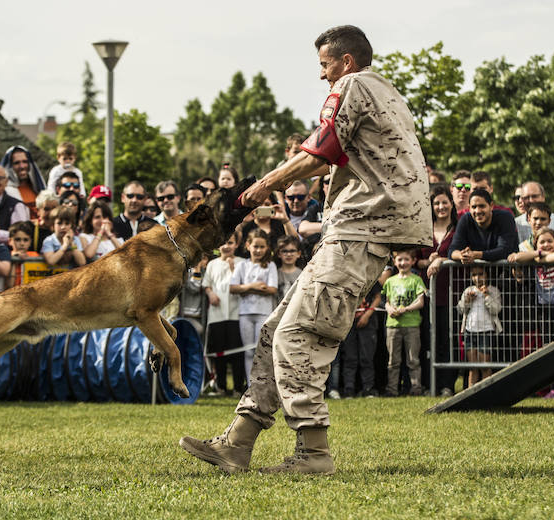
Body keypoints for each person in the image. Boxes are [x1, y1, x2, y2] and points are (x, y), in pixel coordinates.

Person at [180, 25, 431, 475]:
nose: (322, 75)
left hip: (360, 230)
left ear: (346, 62)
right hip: (360, 229)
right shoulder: (387, 93)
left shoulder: (351, 85)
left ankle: (313, 454)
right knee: (274, 329)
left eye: (324, 64)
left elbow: (321, 150)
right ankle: (237, 443)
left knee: (299, 335)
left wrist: (259, 187)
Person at [511, 227, 554, 397]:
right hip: (543, 308)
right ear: (535, 243)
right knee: (548, 349)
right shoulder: (535, 255)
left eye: (550, 241)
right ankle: (551, 388)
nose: (547, 244)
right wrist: (537, 253)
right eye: (542, 241)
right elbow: (518, 257)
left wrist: (540, 256)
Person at [417, 184, 458, 396]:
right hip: (426, 294)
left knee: (446, 340)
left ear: (451, 204)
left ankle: (447, 385)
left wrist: (443, 259)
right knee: (426, 340)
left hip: (451, 294)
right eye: (436, 203)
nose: (441, 207)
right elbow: (413, 260)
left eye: (444, 202)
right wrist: (427, 262)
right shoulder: (423, 228)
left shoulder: (458, 229)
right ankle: (427, 384)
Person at [229, 229, 278, 381]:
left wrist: (245, 288)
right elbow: (233, 288)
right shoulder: (242, 265)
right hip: (245, 313)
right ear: (248, 246)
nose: (258, 250)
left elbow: (272, 289)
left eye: (262, 247)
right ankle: (251, 385)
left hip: (263, 312)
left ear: (267, 248)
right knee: (248, 351)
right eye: (255, 246)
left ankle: (262, 383)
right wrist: (254, 286)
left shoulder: (270, 266)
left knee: (261, 350)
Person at [203, 232, 246, 395]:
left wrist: (233, 267)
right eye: (223, 243)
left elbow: (245, 283)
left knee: (237, 352)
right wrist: (210, 293)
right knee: (219, 351)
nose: (226, 246)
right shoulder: (212, 264)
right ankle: (221, 386)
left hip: (237, 313)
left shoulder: (242, 262)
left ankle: (237, 387)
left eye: (230, 243)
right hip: (217, 313)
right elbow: (207, 284)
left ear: (236, 245)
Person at [381, 249, 427, 397]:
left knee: (413, 359)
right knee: (393, 360)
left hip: (411, 324)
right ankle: (392, 389)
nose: (403, 263)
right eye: (399, 260)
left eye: (406, 259)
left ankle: (415, 388)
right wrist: (389, 309)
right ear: (394, 262)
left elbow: (420, 302)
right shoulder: (390, 281)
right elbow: (386, 302)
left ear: (413, 261)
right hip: (393, 325)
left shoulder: (416, 279)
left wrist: (405, 309)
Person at [457, 265, 501, 387]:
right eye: (474, 275)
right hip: (470, 331)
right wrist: (467, 300)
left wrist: (487, 296)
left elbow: (496, 310)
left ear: (487, 275)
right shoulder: (468, 290)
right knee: (473, 366)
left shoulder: (493, 290)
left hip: (486, 331)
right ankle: (471, 394)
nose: (477, 278)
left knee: (485, 366)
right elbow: (461, 310)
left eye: (481, 274)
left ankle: (486, 392)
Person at [449, 189, 518, 264]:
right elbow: (452, 251)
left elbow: (505, 250)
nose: (478, 211)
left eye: (482, 206)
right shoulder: (465, 220)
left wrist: (476, 255)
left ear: (491, 206)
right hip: (478, 274)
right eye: (474, 207)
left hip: (505, 272)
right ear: (469, 208)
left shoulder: (505, 217)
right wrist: (462, 255)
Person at [339, 279, 381, 399]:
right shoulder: (346, 277)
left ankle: (368, 389)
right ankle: (349, 389)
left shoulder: (371, 277)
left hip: (369, 322)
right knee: (349, 357)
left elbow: (378, 297)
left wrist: (367, 315)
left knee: (366, 357)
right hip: (348, 322)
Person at [1, 145, 47, 219]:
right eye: (17, 163)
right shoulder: (5, 192)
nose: (22, 166)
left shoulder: (37, 188)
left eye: (25, 162)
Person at [274, 236, 303, 302]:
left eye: (292, 251)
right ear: (279, 254)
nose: (289, 254)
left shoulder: (302, 274)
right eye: (284, 251)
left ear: (298, 254)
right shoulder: (275, 274)